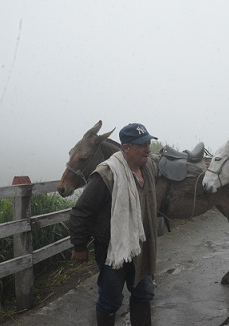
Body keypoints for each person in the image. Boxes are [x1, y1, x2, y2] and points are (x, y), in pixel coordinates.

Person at [69, 122, 158, 326]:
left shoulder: (148, 170)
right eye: (141, 144)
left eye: (148, 143)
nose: (147, 148)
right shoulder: (106, 175)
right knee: (110, 301)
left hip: (140, 247)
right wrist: (79, 245)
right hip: (113, 250)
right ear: (126, 148)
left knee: (143, 294)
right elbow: (81, 212)